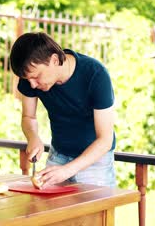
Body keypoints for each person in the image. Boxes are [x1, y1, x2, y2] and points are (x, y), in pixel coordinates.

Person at [9, 32, 116, 188]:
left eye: (36, 77)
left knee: (93, 213)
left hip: (94, 162)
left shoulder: (95, 74)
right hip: (58, 156)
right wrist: (33, 137)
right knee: (49, 210)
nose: (32, 85)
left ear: (54, 60)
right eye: (28, 80)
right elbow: (28, 117)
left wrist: (67, 171)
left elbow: (105, 140)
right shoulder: (30, 77)